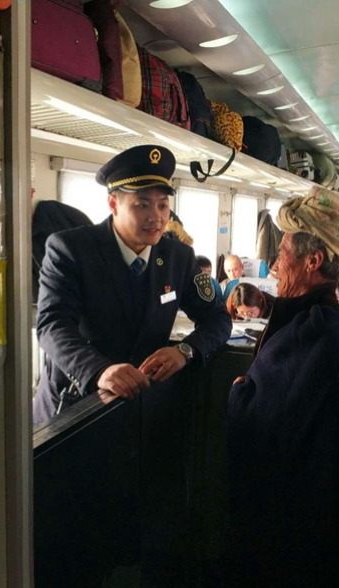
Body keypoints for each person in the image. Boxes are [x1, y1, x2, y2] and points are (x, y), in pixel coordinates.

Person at [224, 188, 339, 588]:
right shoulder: (335, 319)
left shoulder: (315, 332)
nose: (274, 265)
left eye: (283, 252)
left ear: (313, 261)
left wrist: (238, 394)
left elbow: (256, 423)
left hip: (292, 534)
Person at [34, 145, 232, 425]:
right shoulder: (71, 249)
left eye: (162, 205)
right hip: (78, 404)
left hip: (142, 408)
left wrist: (185, 351)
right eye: (142, 204)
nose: (156, 216)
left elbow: (218, 318)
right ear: (113, 204)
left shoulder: (178, 258)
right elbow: (52, 325)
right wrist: (98, 370)